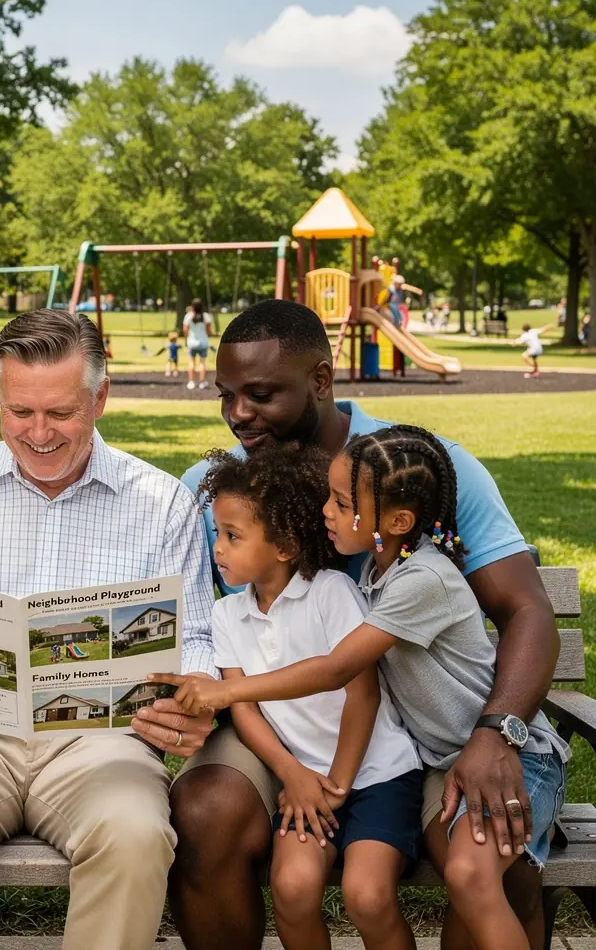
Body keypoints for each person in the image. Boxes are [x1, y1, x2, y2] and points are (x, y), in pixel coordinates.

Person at [144, 301, 562, 950]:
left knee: (491, 847)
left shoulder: (418, 471)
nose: (237, 415)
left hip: (423, 735)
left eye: (260, 395)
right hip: (276, 722)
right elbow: (191, 621)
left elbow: (527, 609)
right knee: (204, 813)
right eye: (227, 396)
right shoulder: (213, 487)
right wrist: (201, 689)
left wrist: (496, 733)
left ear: (321, 379)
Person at [0, 308, 215, 950]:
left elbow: (193, 637)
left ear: (100, 397)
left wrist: (196, 693)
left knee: (136, 831)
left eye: (59, 413)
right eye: (18, 412)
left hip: (101, 741)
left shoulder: (161, 500)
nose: (38, 433)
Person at [172, 444, 423, 950]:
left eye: (232, 536)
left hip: (377, 774)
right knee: (292, 887)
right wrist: (293, 776)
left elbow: (363, 694)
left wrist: (338, 784)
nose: (217, 548)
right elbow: (243, 709)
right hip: (303, 780)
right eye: (217, 533)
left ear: (285, 545)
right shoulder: (226, 616)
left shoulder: (330, 592)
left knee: (368, 895)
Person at [182, 298, 214, 390]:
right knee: (202, 363)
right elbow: (209, 331)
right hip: (203, 342)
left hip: (191, 342)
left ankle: (191, 382)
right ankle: (202, 382)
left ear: (192, 307)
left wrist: (187, 338)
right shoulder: (206, 316)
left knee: (191, 362)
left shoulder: (188, 316)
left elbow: (185, 330)